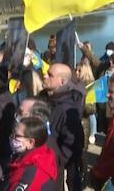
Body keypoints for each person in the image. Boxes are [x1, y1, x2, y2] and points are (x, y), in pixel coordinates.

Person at [40, 63, 84, 191]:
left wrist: (56, 163)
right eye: (46, 72)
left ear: (62, 81)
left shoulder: (67, 109)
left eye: (50, 75)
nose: (44, 75)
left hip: (55, 169)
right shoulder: (42, 99)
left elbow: (73, 144)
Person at [2, 117, 57, 191]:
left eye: (17, 136)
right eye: (12, 133)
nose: (12, 137)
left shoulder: (30, 175)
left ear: (31, 143)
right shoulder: (22, 159)